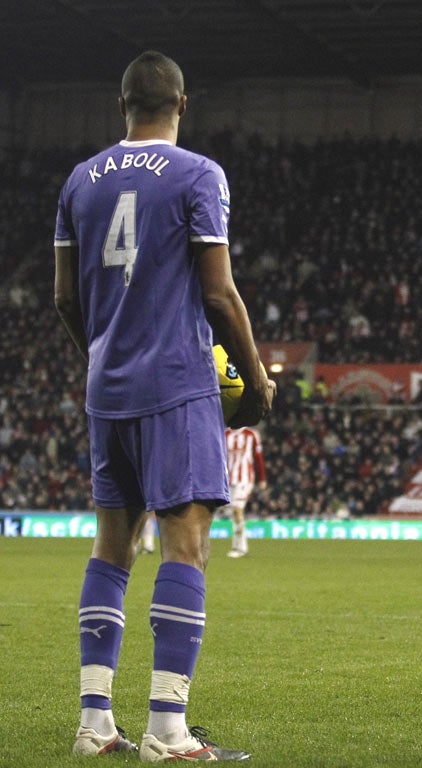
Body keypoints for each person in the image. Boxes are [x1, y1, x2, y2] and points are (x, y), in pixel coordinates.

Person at [54, 50, 275, 761]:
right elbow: (218, 292)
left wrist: (104, 353)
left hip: (106, 388)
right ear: (182, 104)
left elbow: (64, 297)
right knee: (188, 544)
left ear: (122, 105)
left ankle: (94, 724)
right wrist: (257, 380)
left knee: (111, 547)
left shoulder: (78, 180)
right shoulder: (198, 175)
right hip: (177, 386)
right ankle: (167, 731)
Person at [224, 426, 267, 558]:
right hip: (228, 480)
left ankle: (240, 548)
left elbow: (258, 458)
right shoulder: (224, 434)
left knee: (237, 510)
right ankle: (238, 545)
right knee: (232, 512)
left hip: (245, 479)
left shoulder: (251, 435)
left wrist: (262, 478)